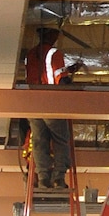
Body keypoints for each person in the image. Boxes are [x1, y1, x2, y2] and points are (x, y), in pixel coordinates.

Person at [25, 28, 72, 190]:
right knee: (60, 140)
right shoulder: (54, 52)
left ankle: (43, 177)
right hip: (52, 101)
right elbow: (61, 77)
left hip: (33, 102)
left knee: (39, 141)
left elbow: (37, 74)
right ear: (53, 37)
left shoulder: (31, 53)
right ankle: (58, 178)